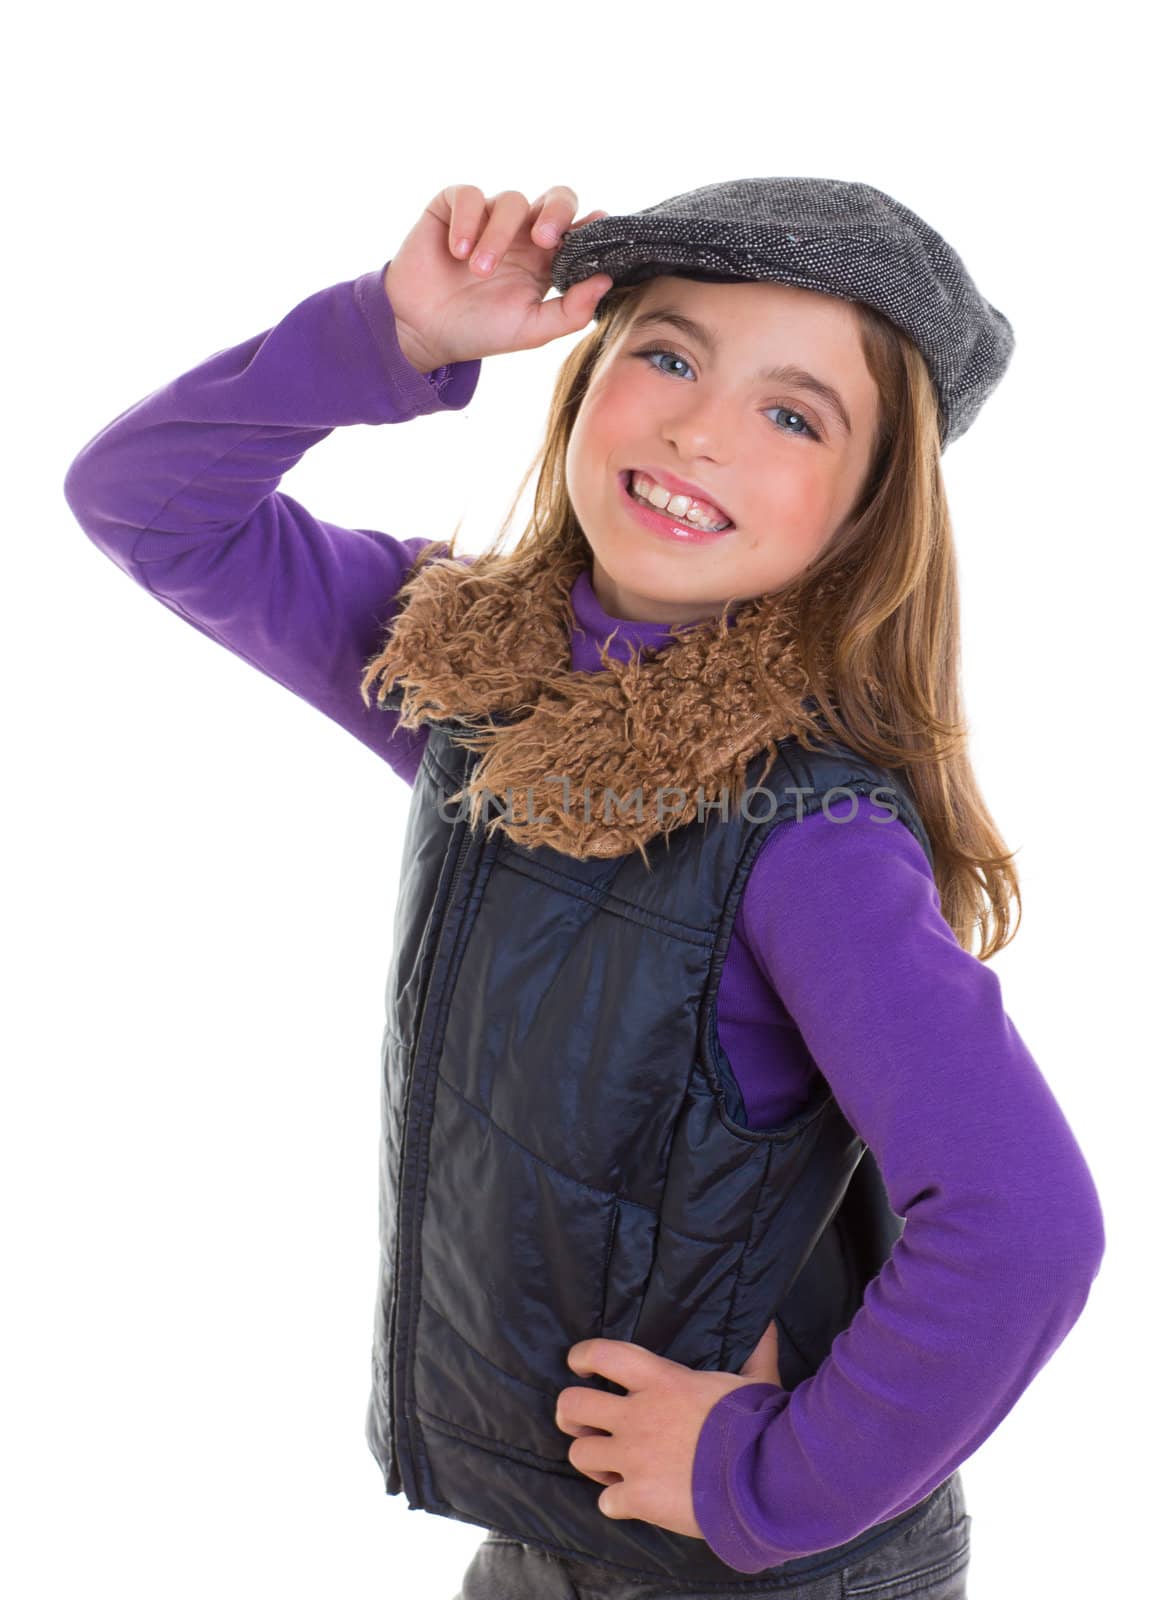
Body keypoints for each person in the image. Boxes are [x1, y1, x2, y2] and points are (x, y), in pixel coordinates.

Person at [64, 178, 1106, 1599]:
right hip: (558, 1524)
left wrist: (764, 1477)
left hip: (749, 1556)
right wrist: (393, 330)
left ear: (867, 516)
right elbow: (146, 506)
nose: (696, 428)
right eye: (668, 356)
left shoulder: (805, 836)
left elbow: (1024, 1224)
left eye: (793, 415)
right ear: (585, 382)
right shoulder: (463, 678)